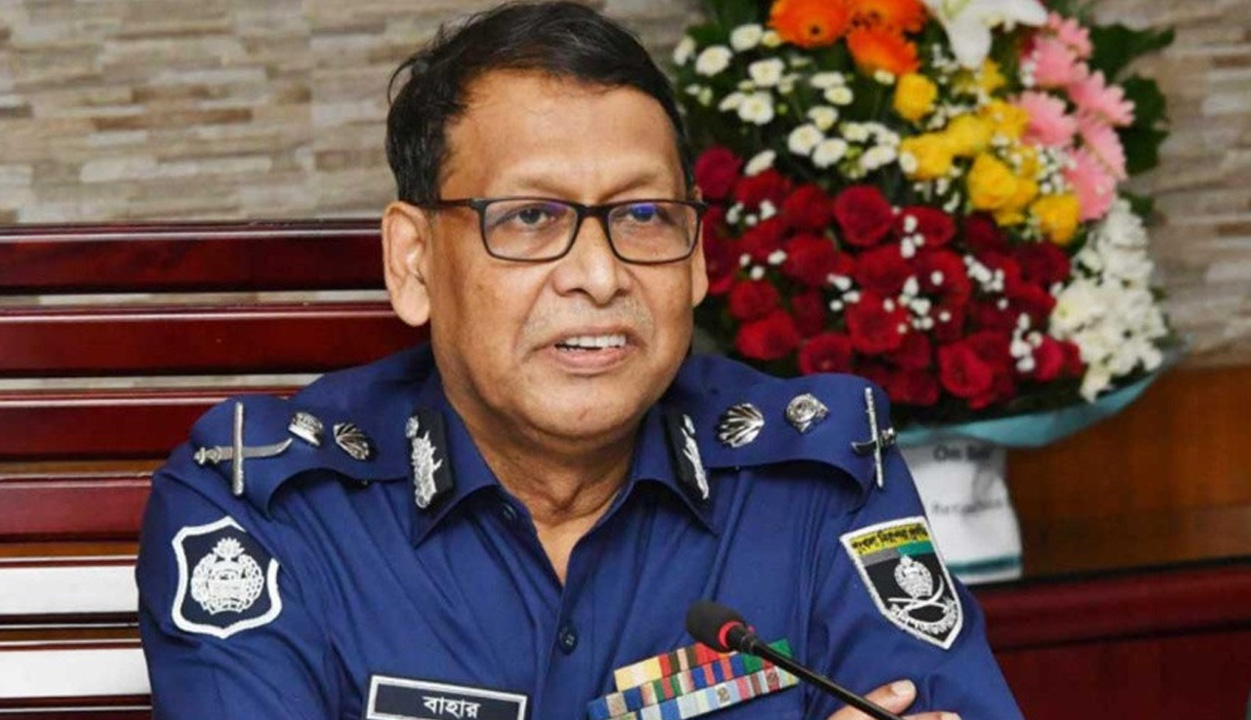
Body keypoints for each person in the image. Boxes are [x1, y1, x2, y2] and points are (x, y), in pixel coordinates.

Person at [135, 3, 1025, 719]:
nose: (599, 277)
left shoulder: (820, 478)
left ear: (698, 256)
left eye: (643, 217)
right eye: (529, 218)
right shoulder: (264, 507)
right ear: (413, 262)